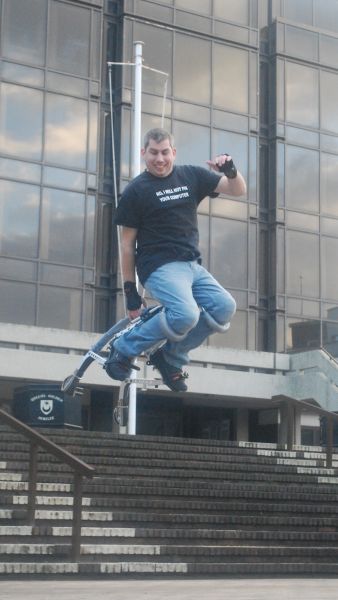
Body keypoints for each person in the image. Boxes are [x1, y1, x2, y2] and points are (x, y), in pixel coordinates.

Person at [106, 127, 247, 392]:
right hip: (158, 266)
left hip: (191, 266)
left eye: (164, 153)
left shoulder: (191, 175)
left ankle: (170, 357)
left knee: (224, 307)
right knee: (186, 314)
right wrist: (130, 290)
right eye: (153, 153)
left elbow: (237, 190)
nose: (160, 159)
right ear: (143, 153)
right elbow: (126, 245)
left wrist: (230, 169)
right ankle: (123, 349)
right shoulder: (136, 191)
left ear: (174, 152)